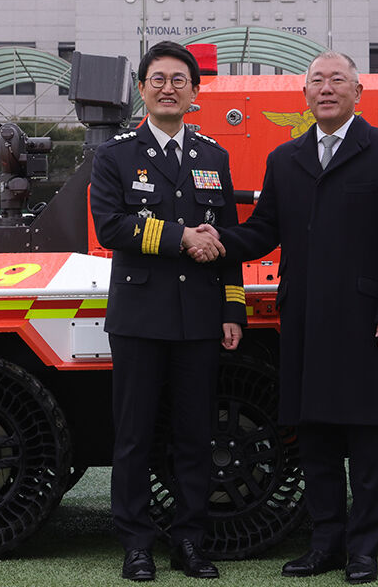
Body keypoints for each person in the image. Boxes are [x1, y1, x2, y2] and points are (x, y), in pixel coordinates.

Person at [193, 51, 378, 584]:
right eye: (316, 81)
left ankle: (363, 550)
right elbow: (263, 230)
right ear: (304, 96)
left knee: (367, 445)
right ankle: (325, 546)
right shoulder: (285, 159)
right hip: (304, 320)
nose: (326, 88)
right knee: (315, 442)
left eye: (337, 80)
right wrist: (214, 240)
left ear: (358, 93)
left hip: (369, 322)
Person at [89, 41, 246, 582]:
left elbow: (226, 240)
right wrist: (182, 237)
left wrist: (233, 308)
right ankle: (136, 545)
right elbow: (111, 227)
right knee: (133, 434)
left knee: (194, 436)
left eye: (180, 79)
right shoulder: (114, 156)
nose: (169, 87)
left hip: (201, 317)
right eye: (158, 79)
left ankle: (190, 541)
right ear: (142, 88)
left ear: (195, 92)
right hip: (140, 317)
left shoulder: (214, 158)